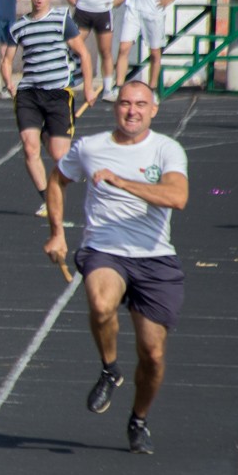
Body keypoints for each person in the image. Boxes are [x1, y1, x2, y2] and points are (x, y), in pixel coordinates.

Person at [43, 81, 189, 455]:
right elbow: (56, 180)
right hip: (104, 249)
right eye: (125, 103)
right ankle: (110, 369)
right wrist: (57, 232)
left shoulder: (166, 150)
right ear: (115, 108)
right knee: (101, 303)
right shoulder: (90, 147)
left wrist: (122, 182)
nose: (132, 111)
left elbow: (177, 197)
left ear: (153, 110)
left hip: (155, 258)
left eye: (141, 104)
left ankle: (138, 420)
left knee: (152, 356)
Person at [1, 0, 98, 216]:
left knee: (59, 156)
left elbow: (83, 54)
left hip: (58, 93)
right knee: (30, 148)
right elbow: (6, 60)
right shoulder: (18, 26)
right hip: (29, 94)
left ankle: (51, 148)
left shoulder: (62, 19)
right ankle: (48, 199)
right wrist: (9, 84)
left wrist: (87, 86)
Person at [65, 0, 129, 102]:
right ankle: (72, 77)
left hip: (103, 11)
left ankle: (108, 88)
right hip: (83, 9)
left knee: (105, 51)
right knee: (72, 45)